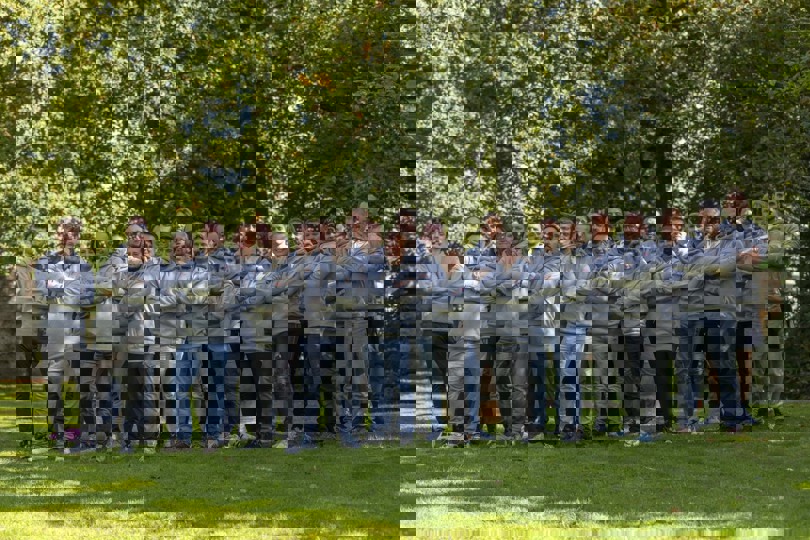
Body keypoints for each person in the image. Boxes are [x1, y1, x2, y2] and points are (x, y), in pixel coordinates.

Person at [676, 199, 752, 433]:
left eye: (712, 219)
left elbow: (726, 269)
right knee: (691, 366)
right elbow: (684, 269)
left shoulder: (733, 241)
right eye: (703, 219)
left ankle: (732, 418)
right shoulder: (693, 243)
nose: (707, 223)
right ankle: (688, 420)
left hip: (722, 311)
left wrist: (701, 268)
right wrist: (707, 267)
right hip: (694, 309)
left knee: (724, 365)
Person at [32, 217, 95, 453]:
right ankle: (56, 435)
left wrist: (59, 286)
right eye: (62, 232)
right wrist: (72, 287)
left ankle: (75, 435)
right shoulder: (43, 263)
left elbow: (89, 298)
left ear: (77, 237)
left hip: (77, 333)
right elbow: (43, 293)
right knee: (54, 385)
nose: (67, 237)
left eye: (72, 233)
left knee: (78, 387)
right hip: (53, 332)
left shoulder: (84, 266)